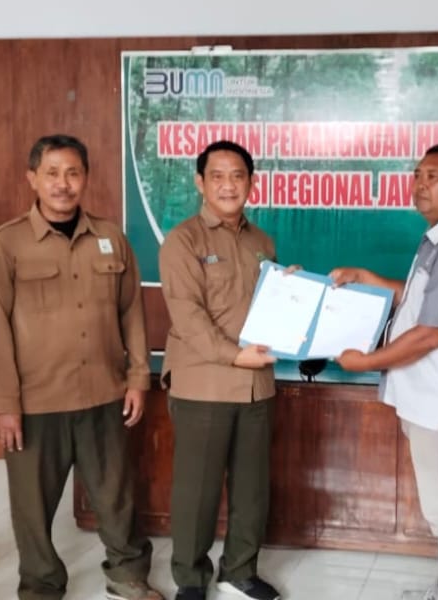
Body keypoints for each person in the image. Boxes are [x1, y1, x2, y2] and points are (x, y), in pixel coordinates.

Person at [0, 135, 161, 600]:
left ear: (86, 178)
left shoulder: (110, 238)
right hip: (35, 401)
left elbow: (132, 313)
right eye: (52, 173)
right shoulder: (8, 242)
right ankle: (40, 585)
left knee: (116, 494)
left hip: (104, 392)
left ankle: (127, 574)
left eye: (73, 173)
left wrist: (138, 377)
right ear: (32, 178)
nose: (63, 183)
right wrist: (3, 403)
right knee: (32, 505)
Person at [331, 144, 438, 600]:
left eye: (433, 177)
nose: (420, 185)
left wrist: (365, 362)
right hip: (428, 400)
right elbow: (423, 299)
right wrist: (370, 279)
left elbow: (431, 333)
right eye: (418, 175)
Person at [158, 140, 281, 600]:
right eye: (218, 176)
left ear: (251, 182)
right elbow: (188, 317)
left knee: (252, 488)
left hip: (256, 385)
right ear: (200, 183)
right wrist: (234, 355)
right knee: (197, 491)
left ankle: (239, 571)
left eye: (238, 176)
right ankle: (190, 579)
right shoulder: (183, 240)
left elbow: (268, 309)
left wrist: (290, 290)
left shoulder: (261, 242)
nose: (229, 185)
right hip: (204, 384)